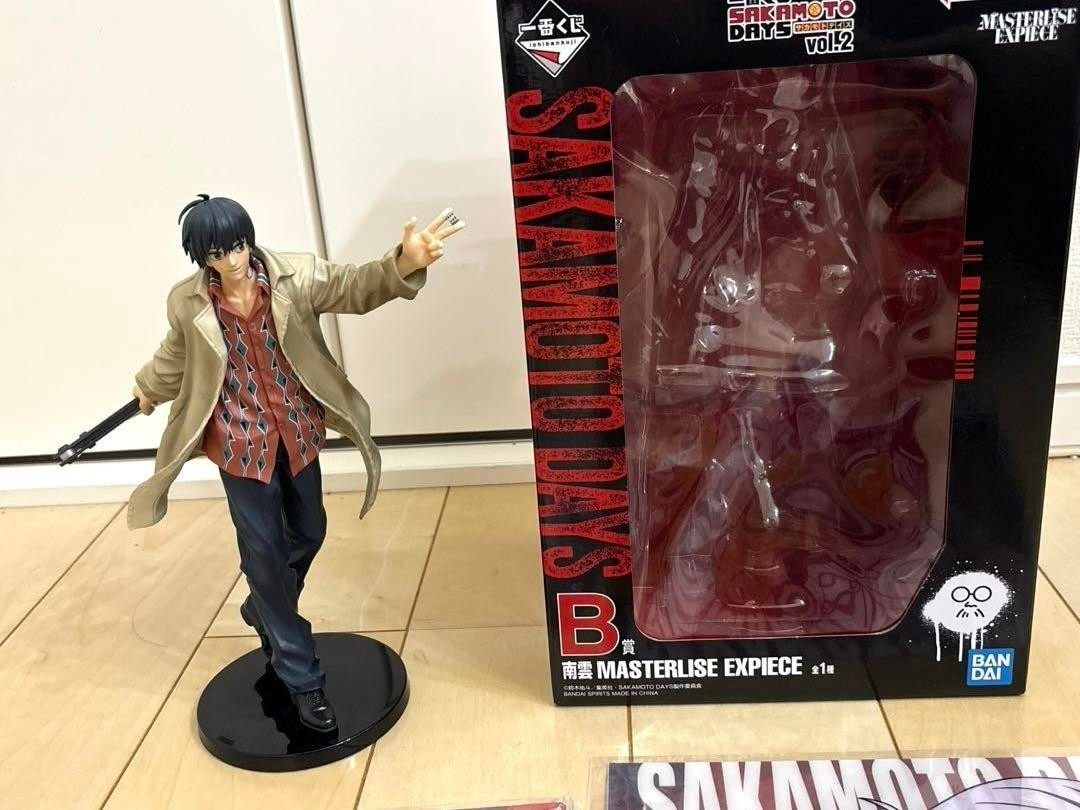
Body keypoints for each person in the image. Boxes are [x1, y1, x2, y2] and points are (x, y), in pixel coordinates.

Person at [129, 195, 464, 731]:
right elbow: (177, 353)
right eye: (217, 252)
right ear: (202, 257)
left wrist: (404, 262)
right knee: (264, 556)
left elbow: (354, 286)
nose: (232, 259)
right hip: (239, 444)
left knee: (309, 530)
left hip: (297, 431)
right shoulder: (187, 303)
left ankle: (264, 607)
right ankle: (302, 676)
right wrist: (148, 388)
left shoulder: (296, 276)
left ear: (248, 239)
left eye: (237, 245)